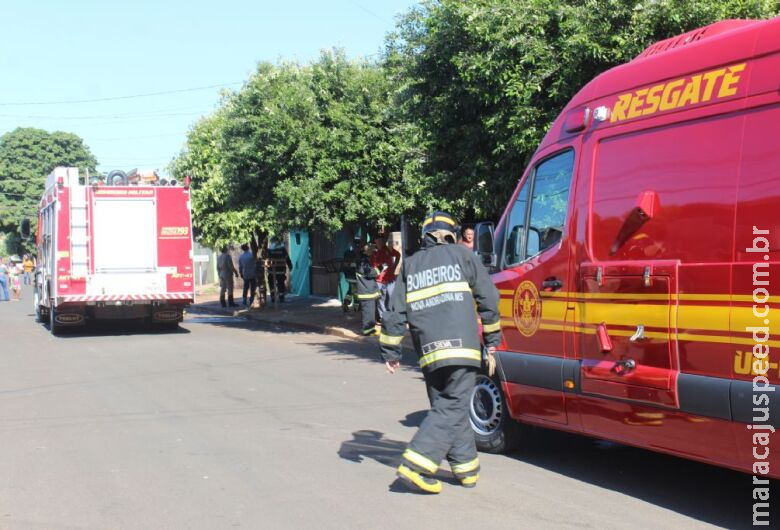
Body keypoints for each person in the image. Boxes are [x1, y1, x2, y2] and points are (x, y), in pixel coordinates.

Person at [379, 211, 502, 494]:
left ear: (424, 236)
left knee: (447, 407)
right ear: (453, 233)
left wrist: (391, 350)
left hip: (430, 354)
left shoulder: (410, 265)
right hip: (462, 350)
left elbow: (394, 310)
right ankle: (416, 465)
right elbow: (489, 298)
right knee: (454, 406)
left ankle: (466, 469)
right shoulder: (464, 256)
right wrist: (493, 341)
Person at [371, 234, 400, 318]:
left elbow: (398, 255)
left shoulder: (388, 249)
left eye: (381, 240)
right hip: (379, 280)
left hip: (390, 279)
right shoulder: (373, 252)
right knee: (381, 299)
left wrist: (394, 266)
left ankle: (392, 315)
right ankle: (382, 317)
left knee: (392, 296)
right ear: (375, 242)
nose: (380, 242)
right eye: (378, 241)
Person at [355, 244, 380, 335]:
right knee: (368, 313)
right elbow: (369, 273)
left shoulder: (363, 260)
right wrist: (379, 269)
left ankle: (371, 329)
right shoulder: (362, 261)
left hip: (368, 291)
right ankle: (367, 331)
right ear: (366, 251)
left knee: (370, 312)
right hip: (366, 292)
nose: (372, 252)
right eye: (371, 251)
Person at [267, 239, 293, 303]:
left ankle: (273, 297)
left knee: (271, 284)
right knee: (281, 283)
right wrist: (290, 266)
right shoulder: (283, 249)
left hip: (271, 271)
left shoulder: (269, 250)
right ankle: (281, 297)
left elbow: (267, 260)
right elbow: (287, 259)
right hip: (280, 270)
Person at [238, 243, 258, 307]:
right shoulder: (252, 255)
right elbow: (256, 263)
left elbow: (240, 267)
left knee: (245, 287)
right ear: (248, 247)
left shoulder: (241, 257)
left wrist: (241, 273)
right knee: (253, 287)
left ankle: (244, 300)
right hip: (252, 273)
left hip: (245, 274)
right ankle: (251, 299)